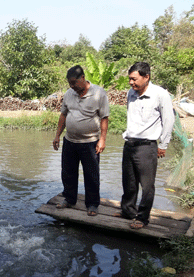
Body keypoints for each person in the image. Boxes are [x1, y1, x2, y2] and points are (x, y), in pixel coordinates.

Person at [116, 62, 175, 229]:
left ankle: (142, 218)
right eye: (129, 79)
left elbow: (168, 120)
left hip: (147, 146)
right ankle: (128, 211)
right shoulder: (131, 93)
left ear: (146, 77)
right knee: (129, 181)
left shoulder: (160, 94)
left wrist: (163, 144)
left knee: (147, 185)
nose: (130, 83)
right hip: (129, 144)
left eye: (134, 79)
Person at [53, 65, 109, 216]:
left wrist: (102, 139)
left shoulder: (98, 93)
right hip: (70, 141)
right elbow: (63, 115)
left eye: (74, 82)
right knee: (68, 172)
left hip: (90, 142)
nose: (72, 86)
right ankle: (69, 199)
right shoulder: (69, 94)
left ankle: (92, 204)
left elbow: (104, 117)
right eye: (69, 83)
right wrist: (57, 135)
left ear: (82, 78)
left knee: (91, 174)